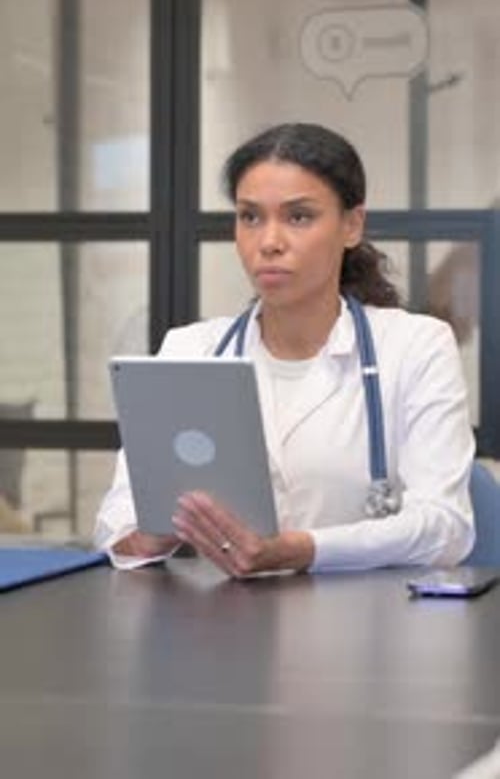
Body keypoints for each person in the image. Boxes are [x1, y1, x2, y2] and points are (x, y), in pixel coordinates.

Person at [94, 122, 475, 575]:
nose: (269, 242)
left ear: (351, 226)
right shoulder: (189, 349)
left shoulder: (416, 346)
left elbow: (446, 529)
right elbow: (116, 530)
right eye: (250, 217)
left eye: (298, 217)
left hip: (368, 628)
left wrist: (301, 549)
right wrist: (164, 528)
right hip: (221, 630)